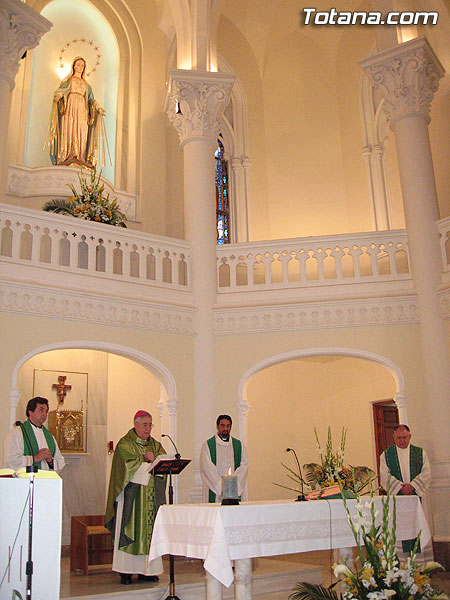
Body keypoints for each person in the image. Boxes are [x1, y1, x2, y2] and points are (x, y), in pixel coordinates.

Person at [105, 411, 167, 586]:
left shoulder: (155, 445)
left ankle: (148, 571)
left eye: (150, 425)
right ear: (136, 424)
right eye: (144, 425)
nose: (148, 428)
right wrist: (148, 463)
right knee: (130, 529)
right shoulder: (125, 444)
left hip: (151, 497)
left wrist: (155, 460)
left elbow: (163, 464)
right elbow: (126, 469)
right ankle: (126, 571)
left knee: (150, 532)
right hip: (132, 497)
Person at [380, 424, 431, 553]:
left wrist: (413, 486)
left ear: (410, 436)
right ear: (393, 437)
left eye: (405, 437)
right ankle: (402, 565)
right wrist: (400, 488)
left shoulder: (420, 453)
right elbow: (384, 476)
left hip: (417, 497)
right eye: (399, 438)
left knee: (418, 527)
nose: (402, 441)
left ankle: (420, 566)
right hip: (398, 498)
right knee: (399, 527)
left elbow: (426, 473)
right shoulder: (386, 455)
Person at [48, 56, 106, 167]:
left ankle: (79, 156)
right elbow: (61, 91)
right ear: (73, 66)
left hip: (82, 110)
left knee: (81, 130)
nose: (80, 67)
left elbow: (91, 99)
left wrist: (98, 108)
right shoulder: (68, 81)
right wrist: (58, 96)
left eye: (82, 66)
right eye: (78, 65)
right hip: (70, 108)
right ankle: (67, 155)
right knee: (69, 127)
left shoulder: (86, 85)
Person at [3, 396, 65, 472]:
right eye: (41, 410)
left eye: (46, 411)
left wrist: (50, 461)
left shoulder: (50, 437)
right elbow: (10, 461)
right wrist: (35, 458)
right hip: (24, 482)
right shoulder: (18, 433)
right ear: (30, 412)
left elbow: (61, 463)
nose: (44, 414)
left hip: (45, 481)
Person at [200, 414, 248, 502]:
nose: (225, 428)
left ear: (231, 427)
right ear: (217, 427)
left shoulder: (239, 446)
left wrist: (233, 488)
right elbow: (207, 469)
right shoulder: (208, 446)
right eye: (222, 425)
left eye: (228, 426)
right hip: (215, 492)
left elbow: (243, 468)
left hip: (234, 492)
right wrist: (222, 489)